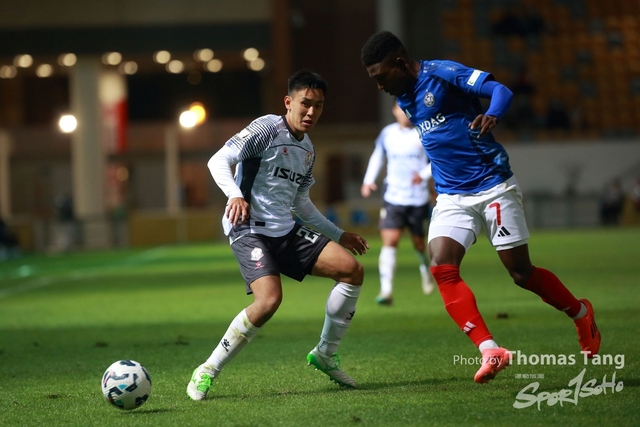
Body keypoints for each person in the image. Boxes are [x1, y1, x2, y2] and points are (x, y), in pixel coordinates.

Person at [360, 31, 601, 384]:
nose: (380, 87)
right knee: (442, 266)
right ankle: (490, 350)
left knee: (520, 273)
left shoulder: (442, 73)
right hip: (451, 196)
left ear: (399, 63)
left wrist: (493, 114)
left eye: (381, 77)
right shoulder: (405, 96)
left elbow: (501, 91)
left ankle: (580, 313)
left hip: (492, 186)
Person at [187, 70, 370, 400]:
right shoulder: (267, 129)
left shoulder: (308, 150)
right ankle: (208, 369)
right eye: (305, 103)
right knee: (269, 300)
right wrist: (235, 195)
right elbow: (218, 160)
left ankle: (325, 354)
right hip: (248, 227)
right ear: (288, 102)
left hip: (284, 230)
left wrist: (338, 234)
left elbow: (301, 202)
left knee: (351, 270)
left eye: (318, 106)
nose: (311, 112)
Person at [361, 102, 435, 305]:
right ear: (394, 111)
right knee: (390, 241)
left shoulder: (424, 132)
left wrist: (422, 175)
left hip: (418, 198)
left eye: (407, 109)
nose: (404, 113)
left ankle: (425, 270)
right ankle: (386, 291)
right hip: (393, 197)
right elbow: (378, 156)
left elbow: (437, 159)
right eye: (400, 109)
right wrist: (368, 180)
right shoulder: (387, 134)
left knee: (419, 244)